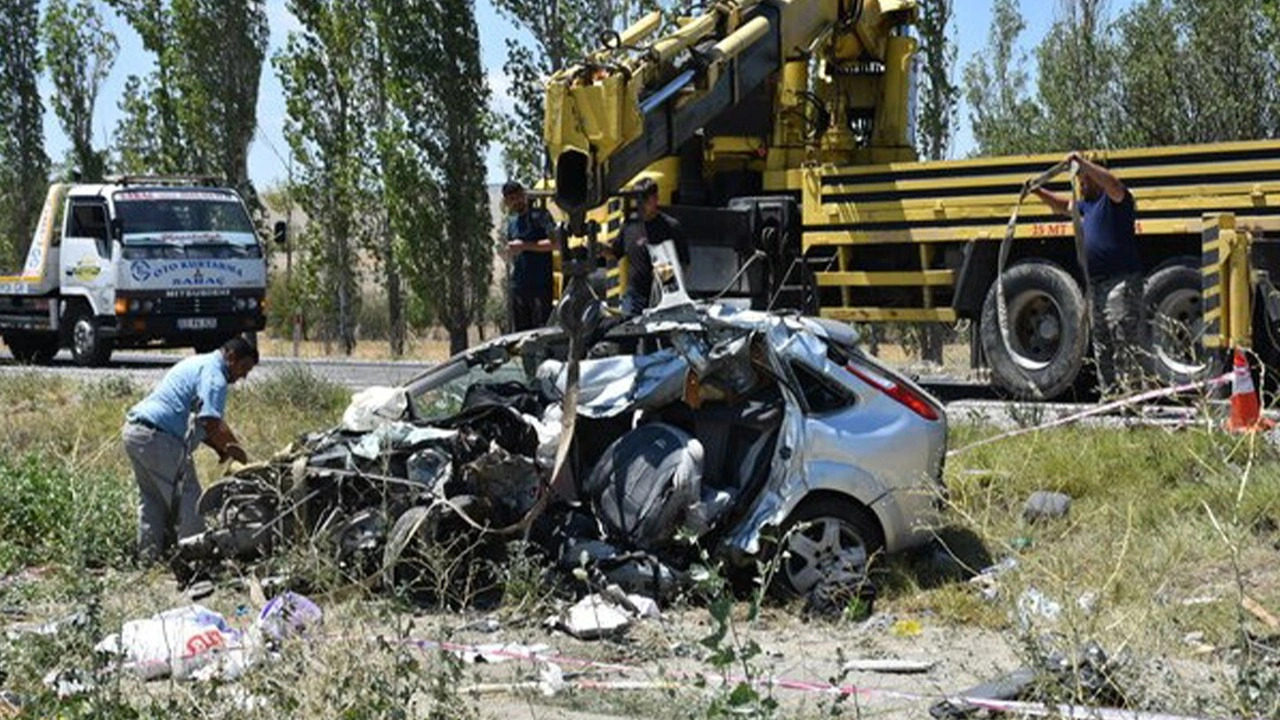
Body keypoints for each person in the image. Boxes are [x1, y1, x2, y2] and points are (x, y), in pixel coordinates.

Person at [122, 335, 258, 563]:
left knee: (152, 500)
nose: (243, 376)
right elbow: (211, 422)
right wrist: (236, 451)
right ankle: (195, 561)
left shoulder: (199, 363)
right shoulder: (215, 376)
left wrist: (219, 448)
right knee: (191, 499)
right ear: (231, 357)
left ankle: (149, 559)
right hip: (158, 437)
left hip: (136, 432)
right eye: (243, 368)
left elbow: (197, 421)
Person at [1033, 151, 1145, 393]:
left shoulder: (1116, 198)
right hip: (1097, 284)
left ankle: (1132, 398)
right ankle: (1111, 396)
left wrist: (1083, 163)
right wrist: (1038, 191)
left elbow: (1113, 183)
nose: (1081, 184)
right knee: (1102, 343)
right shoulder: (1088, 206)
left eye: (1084, 179)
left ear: (1095, 176)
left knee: (1123, 341)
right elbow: (1063, 205)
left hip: (1120, 282)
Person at [611, 177, 690, 316]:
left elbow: (684, 263)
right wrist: (598, 249)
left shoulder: (670, 227)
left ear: (655, 199)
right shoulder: (630, 226)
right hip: (634, 297)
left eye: (643, 201)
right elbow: (616, 251)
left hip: (664, 297)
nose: (639, 206)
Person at [503, 180, 556, 331]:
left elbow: (555, 244)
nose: (516, 202)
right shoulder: (512, 222)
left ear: (524, 195)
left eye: (518, 197)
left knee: (541, 331)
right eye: (511, 199)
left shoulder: (541, 215)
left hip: (540, 285)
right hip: (519, 286)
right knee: (520, 333)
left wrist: (525, 246)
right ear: (506, 202)